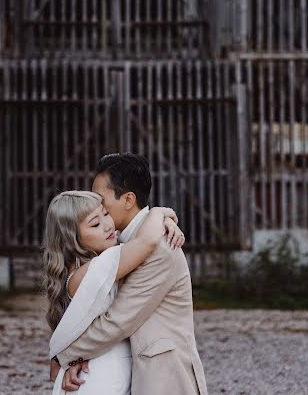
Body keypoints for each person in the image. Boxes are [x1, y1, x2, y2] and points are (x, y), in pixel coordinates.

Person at [51, 153, 207, 395]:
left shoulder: (159, 247)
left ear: (128, 200)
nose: (98, 208)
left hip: (164, 376)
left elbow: (119, 319)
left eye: (102, 202)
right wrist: (161, 213)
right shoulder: (122, 244)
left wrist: (65, 355)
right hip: (132, 369)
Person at [43, 189, 184, 395]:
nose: (108, 225)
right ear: (71, 238)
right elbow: (147, 241)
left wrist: (166, 220)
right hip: (99, 376)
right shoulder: (93, 270)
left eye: (105, 214)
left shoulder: (100, 262)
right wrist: (159, 213)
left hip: (101, 366)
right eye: (95, 224)